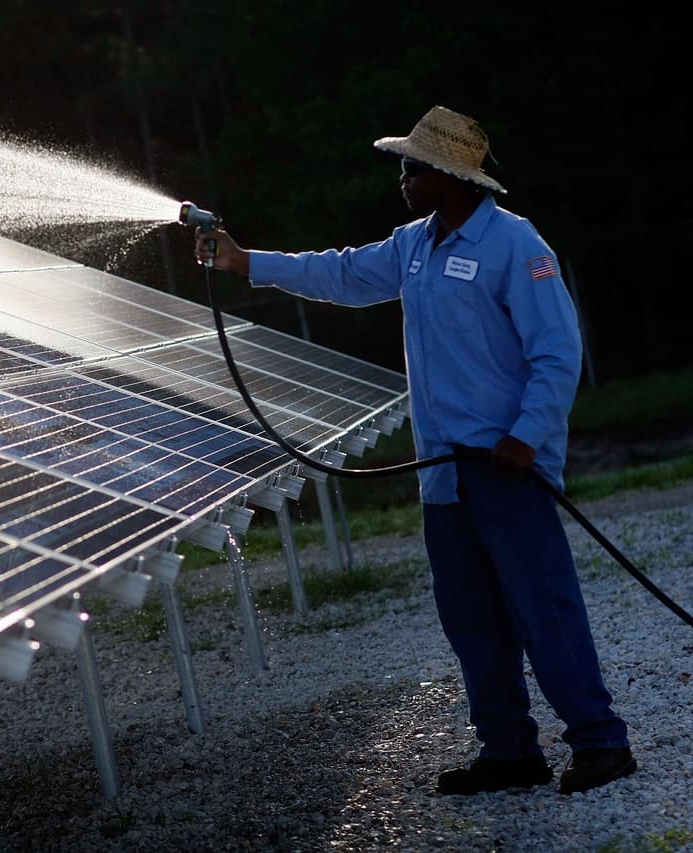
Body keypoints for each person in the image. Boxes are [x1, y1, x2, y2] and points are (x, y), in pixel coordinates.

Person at [195, 105, 635, 796]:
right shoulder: (415, 245)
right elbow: (339, 273)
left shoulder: (516, 245)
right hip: (445, 476)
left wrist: (527, 436)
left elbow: (557, 352)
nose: (402, 176)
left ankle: (601, 742)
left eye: (414, 167)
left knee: (542, 607)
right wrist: (246, 261)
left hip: (505, 467)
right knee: (471, 618)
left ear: (452, 176)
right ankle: (510, 751)